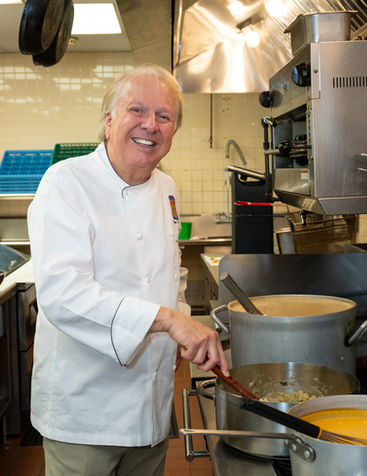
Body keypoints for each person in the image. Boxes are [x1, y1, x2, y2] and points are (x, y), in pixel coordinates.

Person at [27, 63, 229, 476]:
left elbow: (169, 274)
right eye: (136, 110)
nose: (150, 125)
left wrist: (180, 330)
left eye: (164, 116)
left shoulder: (166, 188)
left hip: (150, 408)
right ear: (108, 121)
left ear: (173, 131)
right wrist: (168, 321)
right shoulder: (66, 183)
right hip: (85, 411)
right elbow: (62, 293)